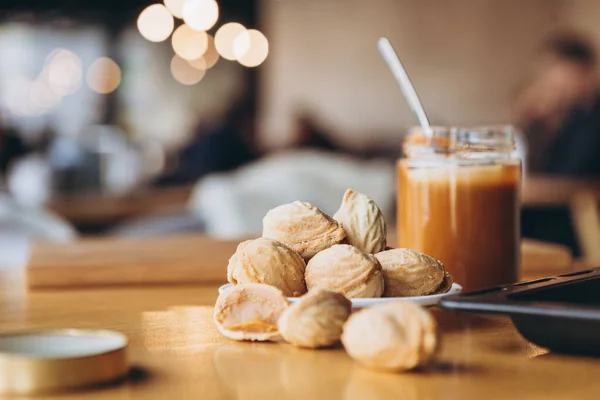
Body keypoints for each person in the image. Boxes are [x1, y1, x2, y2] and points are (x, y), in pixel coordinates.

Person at [514, 32, 600, 176]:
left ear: (583, 71)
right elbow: (528, 166)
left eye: (554, 68)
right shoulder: (563, 114)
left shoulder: (592, 115)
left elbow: (570, 172)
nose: (549, 80)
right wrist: (532, 119)